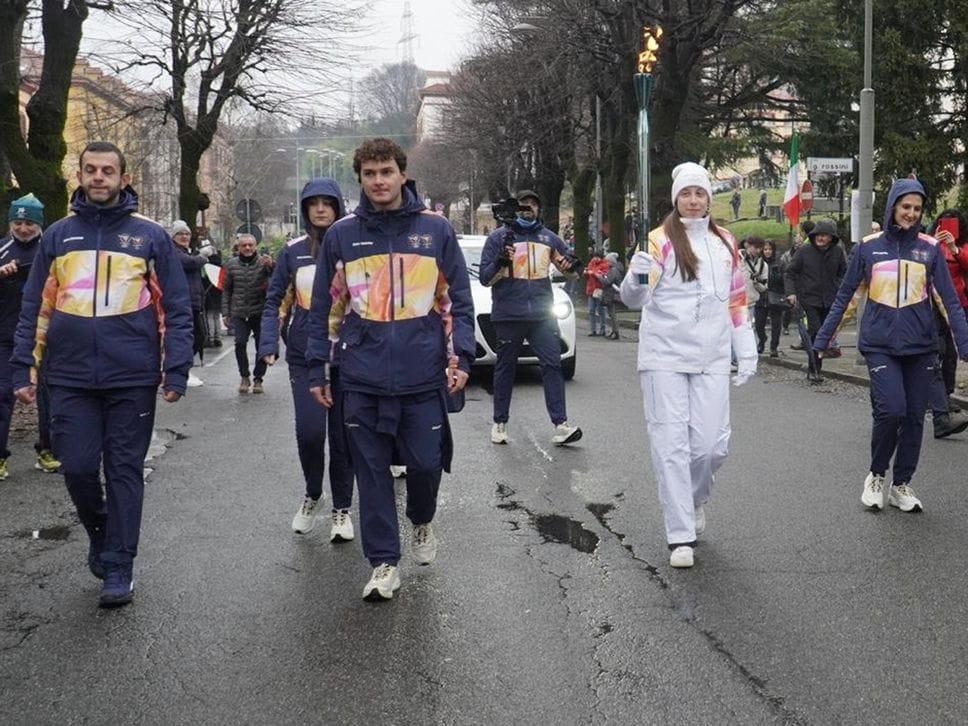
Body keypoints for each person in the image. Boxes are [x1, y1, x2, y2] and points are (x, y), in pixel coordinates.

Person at [11, 141, 193, 608]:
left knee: (124, 468)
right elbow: (36, 305)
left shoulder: (149, 237)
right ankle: (101, 532)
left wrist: (175, 366)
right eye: (90, 170)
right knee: (75, 467)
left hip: (130, 375)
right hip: (68, 376)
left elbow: (176, 306)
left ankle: (119, 566)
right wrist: (23, 367)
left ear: (123, 178)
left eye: (107, 171)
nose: (98, 177)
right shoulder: (58, 235)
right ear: (81, 174)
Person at [305, 137, 475, 601]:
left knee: (424, 464)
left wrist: (461, 355)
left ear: (402, 174)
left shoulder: (435, 230)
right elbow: (326, 307)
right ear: (359, 180)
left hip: (424, 375)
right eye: (369, 174)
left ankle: (421, 520)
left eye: (386, 172)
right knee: (371, 473)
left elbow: (458, 299)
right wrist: (318, 369)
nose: (378, 181)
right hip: (361, 377)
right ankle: (383, 563)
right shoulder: (342, 234)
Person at [620, 161, 757, 569]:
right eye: (686, 194)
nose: (694, 201)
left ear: (709, 199)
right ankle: (680, 533)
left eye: (700, 194)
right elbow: (635, 301)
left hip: (712, 356)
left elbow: (735, 300)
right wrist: (634, 277)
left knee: (711, 446)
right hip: (664, 356)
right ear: (676, 198)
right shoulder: (658, 241)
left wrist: (745, 348)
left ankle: (695, 499)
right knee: (672, 446)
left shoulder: (726, 242)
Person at [814, 178, 968, 513]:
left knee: (914, 417)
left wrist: (964, 342)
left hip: (922, 347)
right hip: (880, 346)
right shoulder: (868, 248)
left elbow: (949, 301)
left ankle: (901, 485)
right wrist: (824, 339)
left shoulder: (929, 249)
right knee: (891, 410)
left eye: (917, 208)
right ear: (892, 207)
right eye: (905, 207)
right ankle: (877, 475)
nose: (911, 214)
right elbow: (847, 297)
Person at [259, 177, 357, 541]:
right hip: (304, 356)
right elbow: (275, 301)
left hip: (349, 357)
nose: (320, 209)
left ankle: (342, 509)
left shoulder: (354, 247)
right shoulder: (293, 252)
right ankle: (313, 493)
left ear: (337, 207)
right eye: (312, 203)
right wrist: (269, 342)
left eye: (327, 203)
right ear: (304, 210)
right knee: (311, 433)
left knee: (345, 437)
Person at [479, 189, 583, 446]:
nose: (528, 209)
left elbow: (570, 273)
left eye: (532, 205)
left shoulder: (549, 239)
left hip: (541, 315)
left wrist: (574, 267)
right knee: (505, 369)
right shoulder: (498, 239)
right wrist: (501, 261)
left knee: (552, 365)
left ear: (538, 209)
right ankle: (500, 422)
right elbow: (485, 278)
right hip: (508, 315)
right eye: (523, 205)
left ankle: (561, 424)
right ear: (515, 209)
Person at [0, 194, 61, 478]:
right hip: (6, 336)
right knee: (3, 395)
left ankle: (47, 450)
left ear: (39, 224)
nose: (23, 228)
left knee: (49, 396)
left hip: (46, 336)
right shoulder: (2, 250)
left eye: (29, 223)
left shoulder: (51, 250)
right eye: (18, 222)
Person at [783, 218, 847, 378]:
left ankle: (816, 366)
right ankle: (814, 369)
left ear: (831, 237)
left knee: (824, 335)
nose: (821, 238)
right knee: (816, 332)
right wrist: (791, 293)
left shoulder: (837, 252)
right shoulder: (804, 251)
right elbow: (790, 273)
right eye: (818, 235)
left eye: (825, 235)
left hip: (830, 299)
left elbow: (844, 273)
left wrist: (839, 287)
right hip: (809, 299)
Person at [926, 209, 968, 438]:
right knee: (935, 351)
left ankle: (945, 398)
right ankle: (938, 405)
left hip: (957, 305)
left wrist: (954, 249)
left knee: (950, 354)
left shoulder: (961, 246)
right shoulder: (930, 244)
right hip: (931, 304)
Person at [222, 233, 273, 393]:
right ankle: (244, 376)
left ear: (255, 246)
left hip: (259, 311)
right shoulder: (231, 265)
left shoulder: (263, 263)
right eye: (244, 245)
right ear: (239, 247)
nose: (248, 248)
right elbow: (227, 290)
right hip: (239, 311)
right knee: (240, 343)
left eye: (250, 245)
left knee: (261, 346)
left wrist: (272, 265)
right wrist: (225, 312)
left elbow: (277, 277)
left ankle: (258, 379)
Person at [171, 220, 213, 387]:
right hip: (181, 302)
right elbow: (190, 263)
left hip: (194, 301)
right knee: (186, 338)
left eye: (187, 233)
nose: (184, 236)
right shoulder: (172, 251)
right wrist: (203, 256)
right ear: (173, 236)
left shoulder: (189, 251)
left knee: (199, 336)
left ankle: (183, 369)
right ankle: (180, 371)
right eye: (180, 233)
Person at [740, 236, 768, 353]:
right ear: (747, 245)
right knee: (735, 330)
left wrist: (756, 283)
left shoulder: (762, 265)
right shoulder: (735, 258)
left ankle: (742, 357)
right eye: (755, 247)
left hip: (751, 302)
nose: (757, 251)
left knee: (746, 330)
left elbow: (764, 287)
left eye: (759, 248)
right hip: (734, 302)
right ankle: (734, 358)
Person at [758, 240, 786, 357]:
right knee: (759, 323)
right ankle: (762, 339)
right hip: (761, 297)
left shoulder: (779, 263)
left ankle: (774, 346)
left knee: (776, 324)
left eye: (769, 249)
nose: (767, 252)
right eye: (765, 249)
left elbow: (785, 278)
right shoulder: (758, 263)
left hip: (776, 295)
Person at [583, 247, 609, 336]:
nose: (595, 259)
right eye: (595, 257)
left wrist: (594, 273)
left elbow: (603, 276)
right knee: (591, 310)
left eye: (597, 257)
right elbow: (587, 278)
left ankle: (603, 329)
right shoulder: (591, 263)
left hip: (599, 290)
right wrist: (586, 274)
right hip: (590, 290)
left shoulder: (604, 265)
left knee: (601, 310)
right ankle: (593, 330)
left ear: (601, 258)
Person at [599, 251, 624, 339]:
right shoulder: (615, 269)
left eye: (608, 261)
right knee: (611, 314)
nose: (606, 263)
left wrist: (600, 277)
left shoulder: (613, 270)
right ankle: (614, 331)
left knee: (612, 314)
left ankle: (615, 332)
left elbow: (607, 281)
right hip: (611, 294)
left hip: (611, 294)